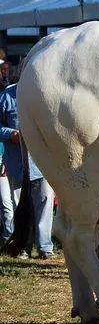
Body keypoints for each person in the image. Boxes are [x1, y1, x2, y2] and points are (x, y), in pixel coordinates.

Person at [0, 82, 55, 259]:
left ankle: (45, 247)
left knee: (45, 201)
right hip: (17, 163)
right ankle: (23, 246)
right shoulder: (7, 95)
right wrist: (10, 134)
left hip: (43, 161)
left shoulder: (46, 92)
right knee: (19, 205)